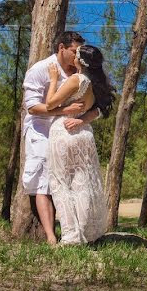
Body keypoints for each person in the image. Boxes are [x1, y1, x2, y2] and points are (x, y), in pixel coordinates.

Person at [22, 31, 98, 245]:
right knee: (44, 182)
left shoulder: (81, 73)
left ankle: (77, 232)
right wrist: (64, 111)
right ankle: (50, 237)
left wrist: (82, 120)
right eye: (74, 51)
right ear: (61, 48)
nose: (77, 56)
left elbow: (98, 107)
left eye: (79, 52)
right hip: (41, 132)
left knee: (74, 181)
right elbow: (33, 108)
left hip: (69, 134)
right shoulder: (40, 69)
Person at [45, 44, 114, 244]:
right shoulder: (96, 82)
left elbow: (50, 104)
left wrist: (54, 79)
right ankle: (87, 232)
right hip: (84, 134)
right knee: (83, 183)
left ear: (81, 61)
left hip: (64, 132)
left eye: (76, 53)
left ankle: (71, 235)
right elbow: (100, 109)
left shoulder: (77, 80)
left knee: (61, 183)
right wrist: (83, 120)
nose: (73, 55)